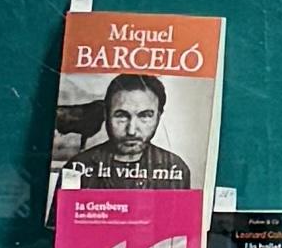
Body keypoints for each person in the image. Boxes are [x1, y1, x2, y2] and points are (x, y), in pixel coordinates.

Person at [61, 74, 193, 189]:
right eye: (121, 116)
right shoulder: (77, 167)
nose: (131, 131)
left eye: (144, 116)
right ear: (106, 115)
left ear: (159, 116)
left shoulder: (175, 168)